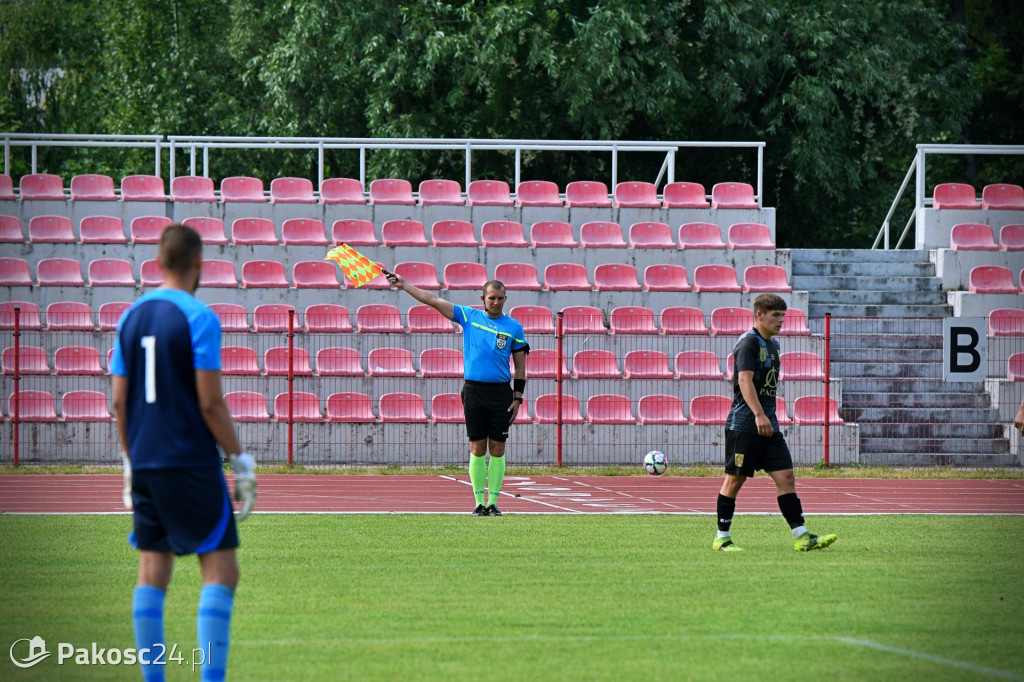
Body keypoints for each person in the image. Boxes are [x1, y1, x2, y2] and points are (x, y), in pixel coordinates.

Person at [111, 224, 256, 681]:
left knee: (152, 569)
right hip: (190, 460)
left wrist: (130, 462)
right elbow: (210, 402)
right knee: (220, 570)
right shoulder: (198, 316)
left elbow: (119, 401)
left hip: (147, 459)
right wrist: (240, 460)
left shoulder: (130, 316)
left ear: (156, 263)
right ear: (199, 263)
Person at [385, 272, 529, 516]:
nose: (496, 302)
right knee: (476, 448)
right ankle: (478, 504)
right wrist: (405, 285)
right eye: (492, 298)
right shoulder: (468, 316)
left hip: (500, 394)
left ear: (506, 299)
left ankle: (493, 503)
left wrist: (517, 398)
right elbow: (432, 300)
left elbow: (520, 366)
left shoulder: (514, 327)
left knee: (497, 448)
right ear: (482, 298)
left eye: (500, 298)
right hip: (473, 391)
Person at [712, 294, 836, 552]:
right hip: (745, 424)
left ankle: (801, 536)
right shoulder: (747, 343)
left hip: (769, 425)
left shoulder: (774, 345)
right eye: (775, 315)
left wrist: (767, 417)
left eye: (783, 315)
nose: (781, 320)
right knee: (734, 481)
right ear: (759, 314)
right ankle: (722, 538)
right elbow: (744, 382)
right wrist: (758, 415)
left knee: (786, 477)